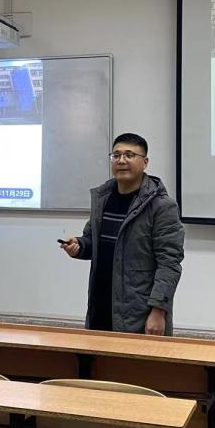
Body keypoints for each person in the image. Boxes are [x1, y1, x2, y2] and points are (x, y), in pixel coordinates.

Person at [60, 133, 184, 336]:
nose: (121, 160)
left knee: (137, 358)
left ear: (145, 162)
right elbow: (93, 241)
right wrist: (79, 246)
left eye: (129, 155)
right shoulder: (103, 198)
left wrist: (158, 311)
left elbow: (169, 263)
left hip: (139, 311)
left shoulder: (162, 206)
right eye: (116, 155)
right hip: (101, 304)